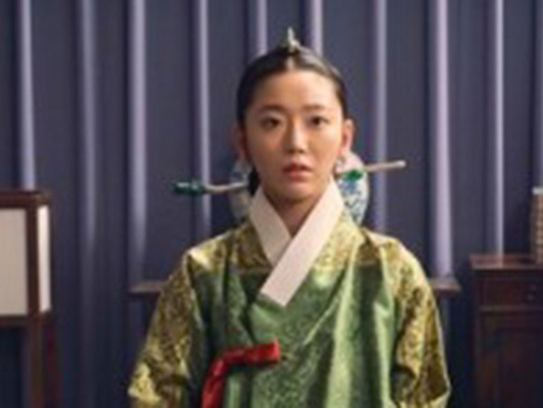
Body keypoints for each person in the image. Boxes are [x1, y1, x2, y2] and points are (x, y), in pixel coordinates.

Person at [128, 30, 450, 408]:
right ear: (243, 142)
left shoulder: (393, 272)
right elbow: (156, 397)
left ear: (345, 138)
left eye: (316, 121)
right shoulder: (202, 273)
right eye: (272, 123)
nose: (296, 142)